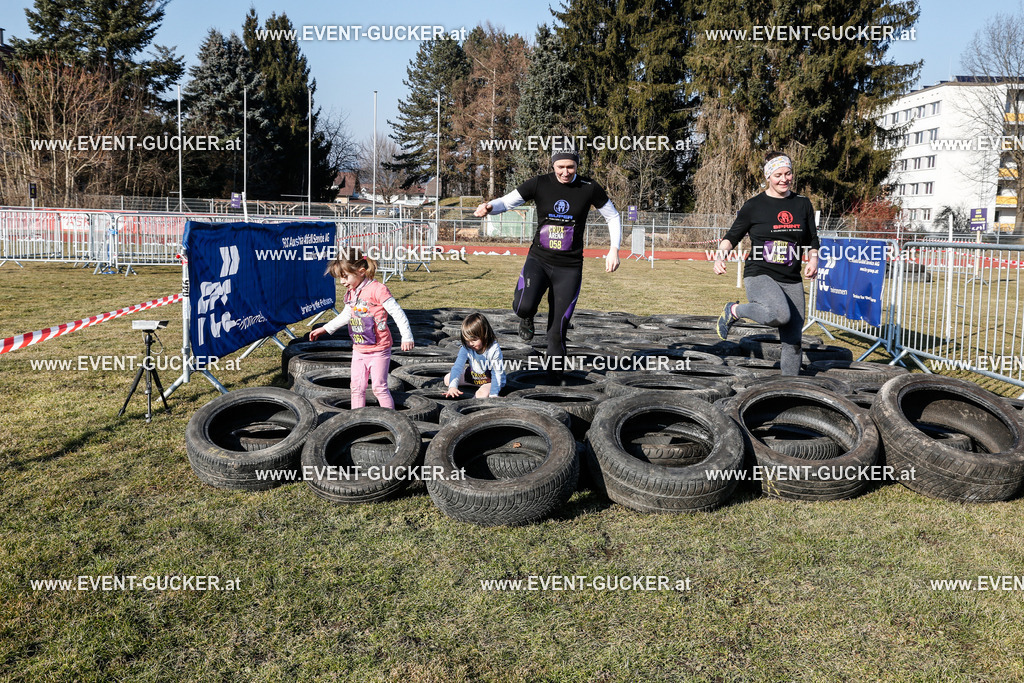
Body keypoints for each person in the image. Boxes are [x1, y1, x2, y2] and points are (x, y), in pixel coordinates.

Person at [474, 147, 621, 382]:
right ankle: (527, 317)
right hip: (539, 260)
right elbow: (507, 202)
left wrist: (613, 250)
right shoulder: (539, 183)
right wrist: (490, 207)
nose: (565, 172)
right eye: (560, 167)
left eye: (570, 167)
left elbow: (613, 215)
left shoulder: (588, 187)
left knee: (557, 330)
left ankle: (554, 383)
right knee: (523, 306)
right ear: (553, 165)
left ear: (577, 166)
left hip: (569, 268)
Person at [713, 151, 819, 376]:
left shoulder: (802, 204)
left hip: (790, 276)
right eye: (778, 174)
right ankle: (734, 310)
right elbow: (732, 237)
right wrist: (721, 256)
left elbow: (812, 238)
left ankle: (788, 388)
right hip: (760, 273)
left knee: (793, 341)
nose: (784, 179)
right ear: (768, 176)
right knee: (779, 314)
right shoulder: (754, 205)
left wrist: (813, 258)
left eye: (788, 173)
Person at [309, 247, 414, 408]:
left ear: (361, 271)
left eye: (345, 277)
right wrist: (326, 328)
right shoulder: (352, 292)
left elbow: (397, 313)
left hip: (379, 349)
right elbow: (347, 314)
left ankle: (392, 419)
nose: (342, 282)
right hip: (359, 349)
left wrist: (407, 337)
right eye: (340, 278)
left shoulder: (378, 290)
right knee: (356, 387)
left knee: (379, 388)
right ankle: (356, 420)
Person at [443, 312, 505, 399]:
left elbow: (497, 372)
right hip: (476, 377)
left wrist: (494, 394)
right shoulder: (466, 347)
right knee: (448, 379)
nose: (470, 343)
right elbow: (458, 367)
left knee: (481, 394)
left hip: (491, 380)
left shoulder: (493, 349)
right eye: (467, 340)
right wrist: (453, 387)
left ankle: (487, 391)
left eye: (474, 340)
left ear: (485, 335)